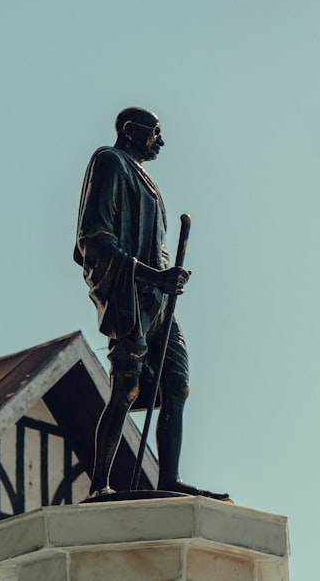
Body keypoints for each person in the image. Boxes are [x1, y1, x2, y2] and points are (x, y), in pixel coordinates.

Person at [74, 106, 227, 500]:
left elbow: (154, 245)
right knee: (125, 389)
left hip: (157, 301)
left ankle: (169, 478)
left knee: (176, 386)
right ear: (130, 131)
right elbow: (95, 237)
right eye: (155, 132)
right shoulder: (109, 162)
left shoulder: (150, 185)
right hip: (129, 295)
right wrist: (150, 274)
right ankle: (99, 484)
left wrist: (168, 277)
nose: (161, 141)